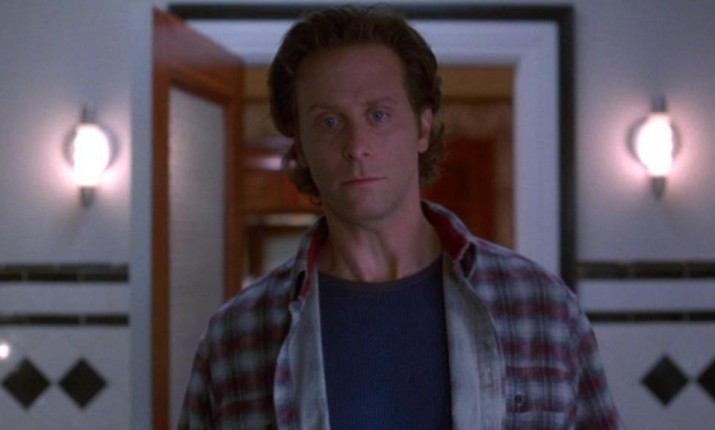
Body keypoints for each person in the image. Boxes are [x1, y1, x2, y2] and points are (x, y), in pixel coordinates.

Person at [180, 6, 623, 429]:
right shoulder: (238, 333)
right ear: (300, 145)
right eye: (329, 122)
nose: (357, 146)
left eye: (378, 115)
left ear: (423, 127)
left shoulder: (541, 307)